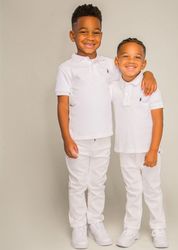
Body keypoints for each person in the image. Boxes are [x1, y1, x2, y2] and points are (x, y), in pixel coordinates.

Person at [55, 4, 157, 249]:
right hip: (77, 137)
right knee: (78, 183)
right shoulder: (66, 69)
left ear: (101, 35)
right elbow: (62, 105)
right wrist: (66, 138)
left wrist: (150, 73)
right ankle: (79, 226)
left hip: (103, 136)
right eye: (83, 32)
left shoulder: (107, 65)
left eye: (96, 32)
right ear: (72, 35)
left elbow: (130, 75)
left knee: (97, 182)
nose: (90, 37)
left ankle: (96, 222)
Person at [110, 38, 168, 248]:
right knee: (133, 192)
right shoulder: (113, 87)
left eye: (137, 57)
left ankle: (158, 229)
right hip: (125, 150)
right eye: (125, 56)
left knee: (153, 191)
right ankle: (131, 229)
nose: (131, 61)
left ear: (144, 63)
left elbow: (158, 120)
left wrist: (153, 150)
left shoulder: (149, 86)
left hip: (148, 151)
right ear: (117, 61)